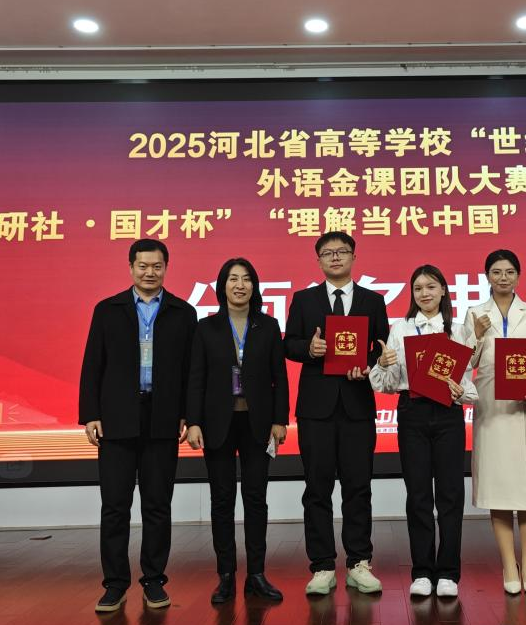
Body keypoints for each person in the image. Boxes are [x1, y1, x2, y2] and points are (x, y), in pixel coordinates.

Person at [79, 239, 197, 612]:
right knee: (115, 506)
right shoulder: (107, 310)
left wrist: (188, 414)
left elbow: (191, 371)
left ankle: (154, 580)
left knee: (157, 505)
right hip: (116, 419)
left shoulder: (183, 312)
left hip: (162, 418)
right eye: (143, 266)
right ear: (131, 267)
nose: (150, 272)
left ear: (166, 268)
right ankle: (115, 584)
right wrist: (91, 413)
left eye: (157, 266)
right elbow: (92, 364)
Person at [284, 231, 391, 595]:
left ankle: (359, 562)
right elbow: (289, 344)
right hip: (316, 409)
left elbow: (382, 347)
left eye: (341, 251)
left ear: (353, 257)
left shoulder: (373, 300)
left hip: (357, 405)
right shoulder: (304, 299)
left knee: (358, 486)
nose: (334, 257)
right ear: (318, 260)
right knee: (317, 488)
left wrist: (369, 364)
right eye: (327, 253)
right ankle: (322, 565)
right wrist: (309, 348)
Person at [370, 264, 478, 599]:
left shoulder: (458, 330)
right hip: (412, 412)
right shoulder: (400, 329)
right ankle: (421, 572)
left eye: (431, 287)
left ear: (443, 290)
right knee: (417, 494)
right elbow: (387, 384)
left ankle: (448, 572)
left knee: (450, 493)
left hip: (447, 413)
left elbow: (467, 383)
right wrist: (383, 364)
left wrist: (461, 392)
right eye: (418, 288)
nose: (424, 293)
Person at [185, 258, 289, 603]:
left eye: (246, 279)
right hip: (217, 423)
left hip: (258, 424)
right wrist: (194, 421)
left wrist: (280, 420)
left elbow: (280, 377)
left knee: (256, 498)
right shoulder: (206, 327)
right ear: (222, 286)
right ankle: (226, 575)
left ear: (254, 287)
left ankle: (256, 573)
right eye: (233, 279)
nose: (240, 285)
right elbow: (196, 378)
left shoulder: (268, 326)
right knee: (222, 499)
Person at [461, 250, 526, 595]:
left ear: (518, 275)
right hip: (492, 405)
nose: (503, 277)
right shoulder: (475, 313)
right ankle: (507, 563)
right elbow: (465, 362)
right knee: (499, 486)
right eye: (496, 272)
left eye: (510, 272)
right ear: (487, 276)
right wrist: (475, 334)